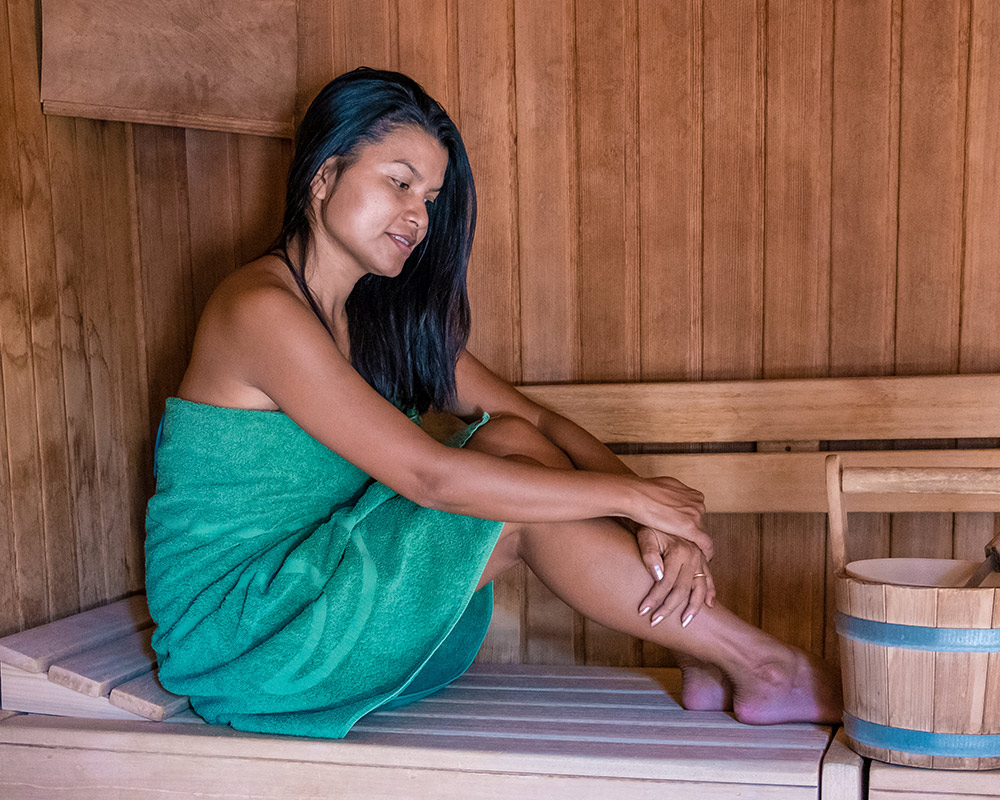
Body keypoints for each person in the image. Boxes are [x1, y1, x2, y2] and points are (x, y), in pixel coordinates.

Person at [145, 67, 841, 738]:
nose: (417, 215)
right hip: (250, 637)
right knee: (500, 498)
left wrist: (659, 519)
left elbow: (539, 422)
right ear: (323, 176)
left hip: (338, 604)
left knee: (511, 437)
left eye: (431, 198)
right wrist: (636, 505)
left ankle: (708, 652)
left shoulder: (380, 317)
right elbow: (431, 479)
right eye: (398, 183)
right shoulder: (260, 310)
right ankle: (763, 664)